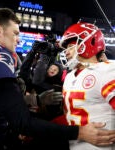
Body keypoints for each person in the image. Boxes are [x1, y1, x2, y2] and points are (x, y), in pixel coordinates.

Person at [0, 8, 115, 150]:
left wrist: (35, 102)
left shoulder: (106, 70)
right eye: (15, 33)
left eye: (70, 46)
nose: (18, 39)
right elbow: (21, 121)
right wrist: (79, 132)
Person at [59, 22, 115, 150]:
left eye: (70, 46)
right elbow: (71, 116)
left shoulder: (106, 71)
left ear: (88, 43)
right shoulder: (69, 77)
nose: (66, 52)